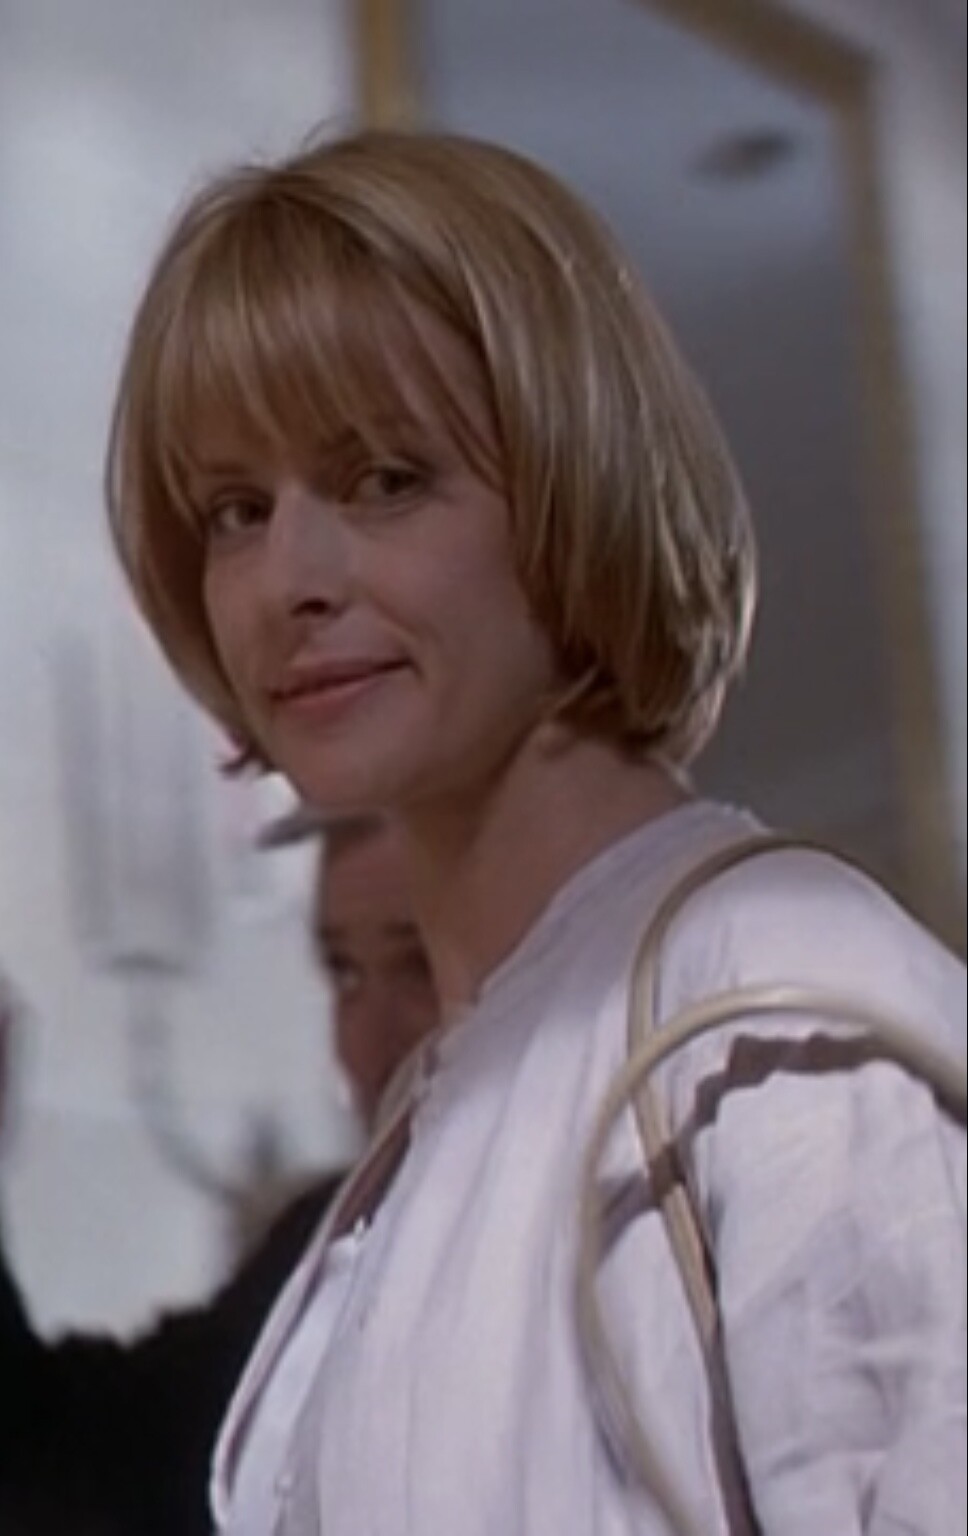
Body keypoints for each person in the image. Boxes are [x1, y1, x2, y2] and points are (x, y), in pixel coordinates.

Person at [104, 126, 966, 1536]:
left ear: (573, 483)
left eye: (385, 479)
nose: (285, 581)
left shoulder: (777, 1015)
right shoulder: (454, 1089)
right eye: (236, 511)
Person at [0, 814, 438, 1536]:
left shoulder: (602, 1243)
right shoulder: (337, 1246)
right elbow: (96, 1469)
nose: (370, 1042)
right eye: (344, 973)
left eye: (421, 965)